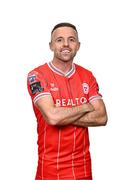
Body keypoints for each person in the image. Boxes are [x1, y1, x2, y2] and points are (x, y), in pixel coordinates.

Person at [27, 22, 108, 180]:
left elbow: (102, 117)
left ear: (78, 45)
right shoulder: (36, 75)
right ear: (51, 45)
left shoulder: (87, 75)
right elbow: (53, 117)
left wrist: (62, 115)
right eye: (59, 40)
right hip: (50, 169)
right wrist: (85, 106)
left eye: (71, 39)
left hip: (83, 169)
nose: (66, 44)